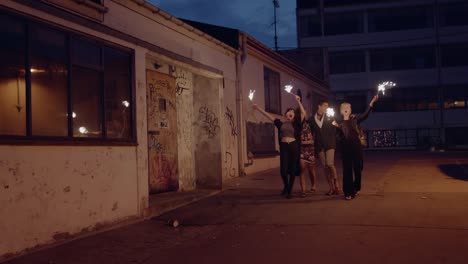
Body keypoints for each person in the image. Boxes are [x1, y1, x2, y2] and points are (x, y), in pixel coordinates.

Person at [253, 95, 306, 198]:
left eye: (292, 111)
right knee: (283, 170)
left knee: (292, 169)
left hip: (293, 147)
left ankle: (289, 191)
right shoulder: (280, 123)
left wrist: (299, 101)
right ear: (286, 114)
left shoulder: (297, 124)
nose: (290, 112)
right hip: (284, 148)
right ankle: (286, 186)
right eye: (288, 111)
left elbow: (303, 113)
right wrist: (258, 108)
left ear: (294, 115)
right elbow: (268, 116)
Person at [333, 95, 379, 200]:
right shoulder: (337, 122)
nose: (345, 109)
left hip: (356, 147)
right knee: (347, 170)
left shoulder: (355, 119)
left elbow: (365, 115)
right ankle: (348, 192)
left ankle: (356, 187)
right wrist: (337, 127)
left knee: (358, 168)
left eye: (347, 108)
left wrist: (371, 102)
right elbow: (338, 138)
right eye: (343, 108)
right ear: (341, 111)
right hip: (345, 149)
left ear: (350, 110)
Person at [311, 100, 340, 196]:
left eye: (327, 106)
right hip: (320, 146)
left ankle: (336, 183)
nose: (326, 108)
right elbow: (311, 133)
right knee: (325, 167)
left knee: (330, 163)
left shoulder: (329, 117)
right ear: (319, 106)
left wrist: (337, 124)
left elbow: (338, 126)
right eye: (324, 106)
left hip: (330, 144)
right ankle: (331, 188)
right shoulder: (312, 119)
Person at [298, 112, 316, 197]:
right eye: (301, 113)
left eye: (303, 113)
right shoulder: (297, 124)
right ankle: (303, 190)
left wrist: (313, 141)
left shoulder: (310, 123)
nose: (302, 114)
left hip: (310, 149)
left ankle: (313, 185)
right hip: (302, 149)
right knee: (302, 169)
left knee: (311, 170)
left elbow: (316, 134)